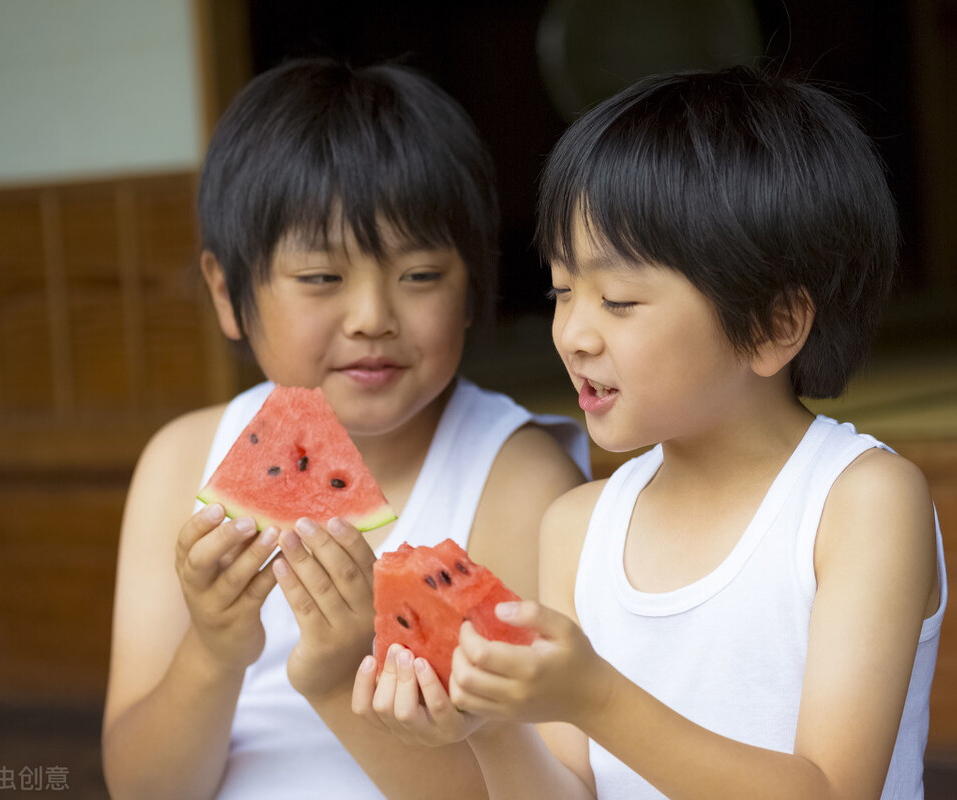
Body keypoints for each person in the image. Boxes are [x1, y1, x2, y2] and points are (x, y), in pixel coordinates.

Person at [354, 65, 947, 800]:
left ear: (773, 326)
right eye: (562, 291)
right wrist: (492, 726)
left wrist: (593, 695)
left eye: (619, 300)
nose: (573, 334)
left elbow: (830, 791)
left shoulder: (858, 503)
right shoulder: (576, 527)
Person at [101, 57, 590, 800]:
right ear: (227, 293)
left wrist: (338, 676)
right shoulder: (181, 462)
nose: (372, 318)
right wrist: (213, 652)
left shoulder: (523, 482)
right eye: (321, 279)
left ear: (471, 289)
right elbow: (144, 788)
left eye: (419, 276)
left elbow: (534, 789)